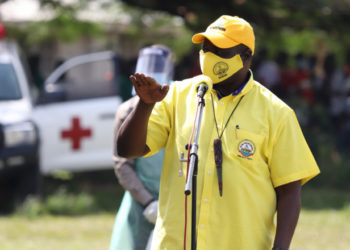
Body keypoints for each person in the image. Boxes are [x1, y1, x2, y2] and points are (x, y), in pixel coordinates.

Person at [116, 15, 320, 250]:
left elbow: (290, 192)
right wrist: (144, 105)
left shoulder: (276, 113)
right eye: (206, 48)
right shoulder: (176, 96)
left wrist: (281, 248)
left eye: (220, 50)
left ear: (245, 56)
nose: (209, 56)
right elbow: (127, 150)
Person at [109, 45, 175, 250]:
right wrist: (147, 202)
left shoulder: (178, 109)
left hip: (174, 200)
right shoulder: (127, 111)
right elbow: (122, 163)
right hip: (140, 204)